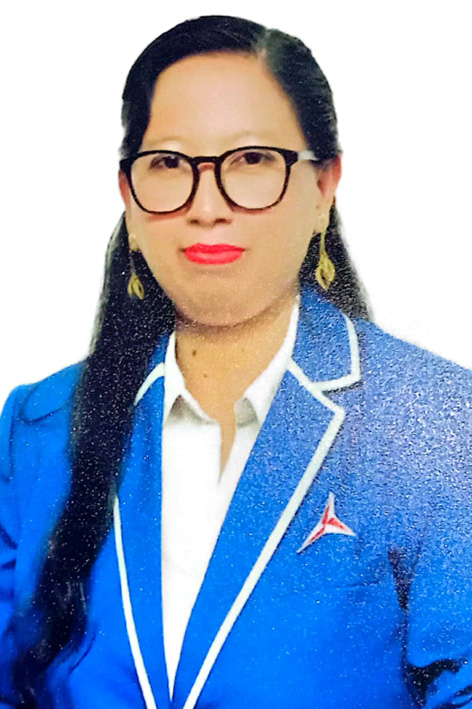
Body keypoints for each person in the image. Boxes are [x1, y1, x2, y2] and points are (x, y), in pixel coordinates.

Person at [1, 14, 472, 709]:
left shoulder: (435, 422)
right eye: (169, 165)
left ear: (325, 186)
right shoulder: (37, 429)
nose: (207, 205)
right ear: (129, 198)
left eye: (251, 161)